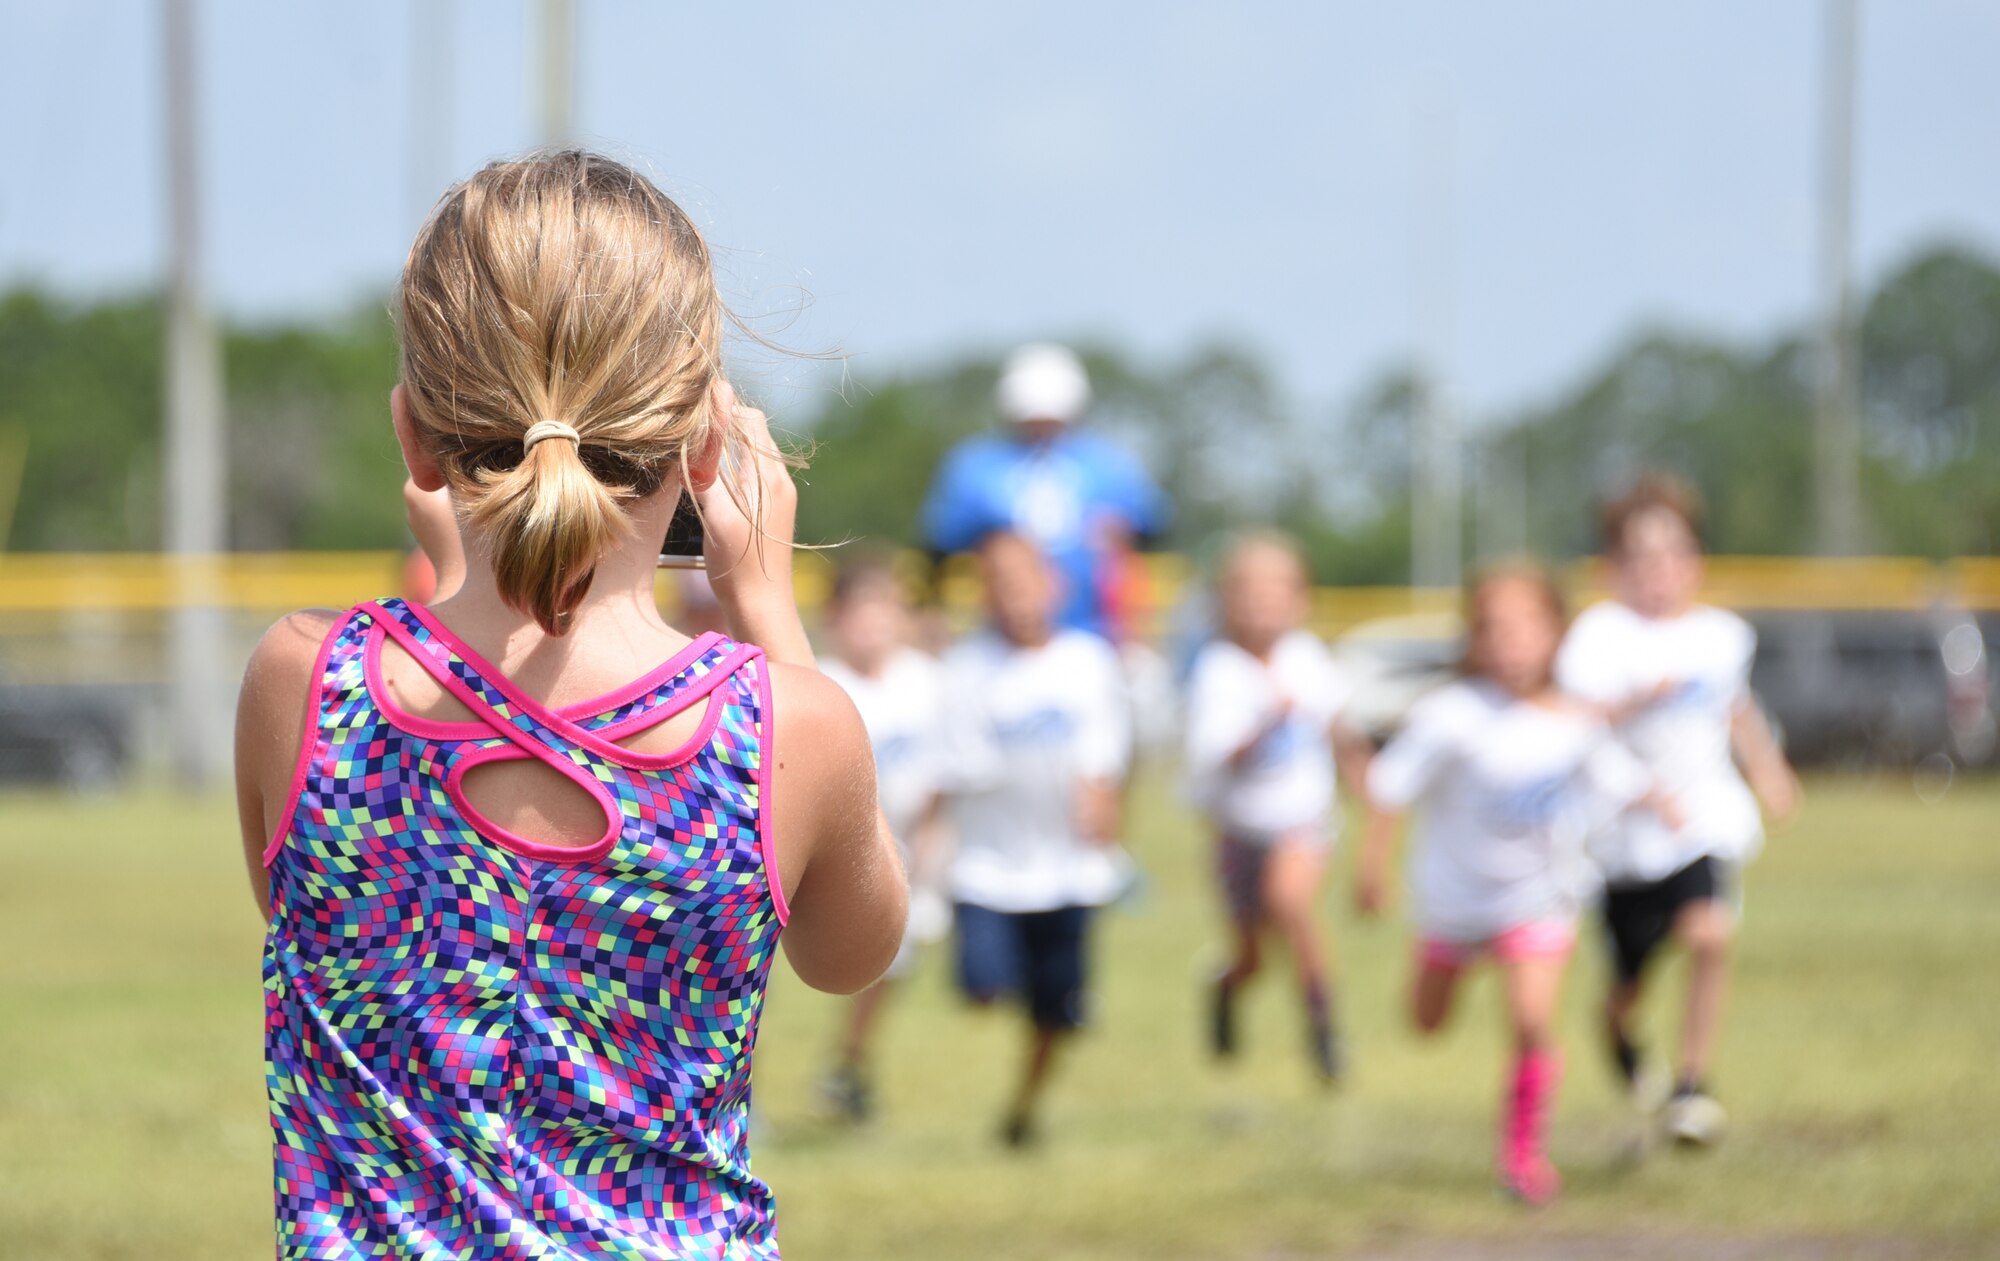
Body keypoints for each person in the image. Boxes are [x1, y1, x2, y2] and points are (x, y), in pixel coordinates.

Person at [233, 151, 907, 1260]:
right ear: (701, 446)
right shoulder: (786, 727)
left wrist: (455, 584)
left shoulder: (303, 683)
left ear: (414, 433)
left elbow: (339, 942)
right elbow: (853, 951)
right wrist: (766, 605)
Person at [1358, 564, 1674, 1205]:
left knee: (1532, 1022)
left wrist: (1659, 800)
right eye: (1495, 629)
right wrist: (1371, 867)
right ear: (1474, 639)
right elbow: (1389, 789)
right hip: (1454, 903)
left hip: (1538, 898)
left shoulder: (1575, 720)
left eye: (1528, 627)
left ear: (1556, 634)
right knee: (1425, 1025)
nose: (1512, 644)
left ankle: (1523, 1159)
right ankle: (1460, 962)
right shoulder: (1451, 715)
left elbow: (1616, 776)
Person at [1555, 473, 1800, 1147]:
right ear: (1616, 565)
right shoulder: (1600, 636)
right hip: (1625, 835)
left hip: (1702, 817)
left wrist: (1770, 769)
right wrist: (1635, 734)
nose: (1660, 569)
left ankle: (1692, 1085)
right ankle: (1616, 1027)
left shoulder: (1719, 635)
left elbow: (1735, 706)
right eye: (1643, 554)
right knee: (1631, 973)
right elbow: (1576, 724)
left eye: (1675, 552)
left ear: (1695, 562)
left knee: (1709, 932)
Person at [935, 530, 1130, 1147]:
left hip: (1067, 869)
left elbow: (1107, 751)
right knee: (983, 986)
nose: (1015, 597)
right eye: (999, 583)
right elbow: (959, 766)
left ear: (1055, 585)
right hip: (990, 869)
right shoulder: (969, 669)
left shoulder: (1087, 661)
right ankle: (1000, 981)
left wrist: (1103, 802)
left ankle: (1024, 1107)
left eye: (1025, 581)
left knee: (1056, 1014)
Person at [1184, 532, 1371, 1084]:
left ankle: (1322, 1024)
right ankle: (1224, 989)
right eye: (1250, 593)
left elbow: (1339, 727)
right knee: (1252, 955)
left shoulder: (1308, 658)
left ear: (1300, 599)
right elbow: (1217, 754)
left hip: (1302, 823)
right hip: (1242, 831)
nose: (1264, 606)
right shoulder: (1218, 671)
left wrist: (1365, 779)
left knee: (1290, 904)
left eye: (1277, 592)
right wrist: (1265, 723)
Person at [815, 552, 949, 1123]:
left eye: (886, 610)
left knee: (890, 966)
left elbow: (944, 772)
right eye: (860, 612)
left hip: (904, 854)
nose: (874, 625)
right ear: (836, 618)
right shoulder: (823, 684)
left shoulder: (925, 681)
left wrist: (932, 846)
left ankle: (850, 1060)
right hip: (826, 857)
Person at [920, 343, 1169, 641]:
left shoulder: (1108, 463)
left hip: (1095, 630)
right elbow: (938, 548)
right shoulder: (976, 465)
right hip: (1002, 634)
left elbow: (1152, 528)